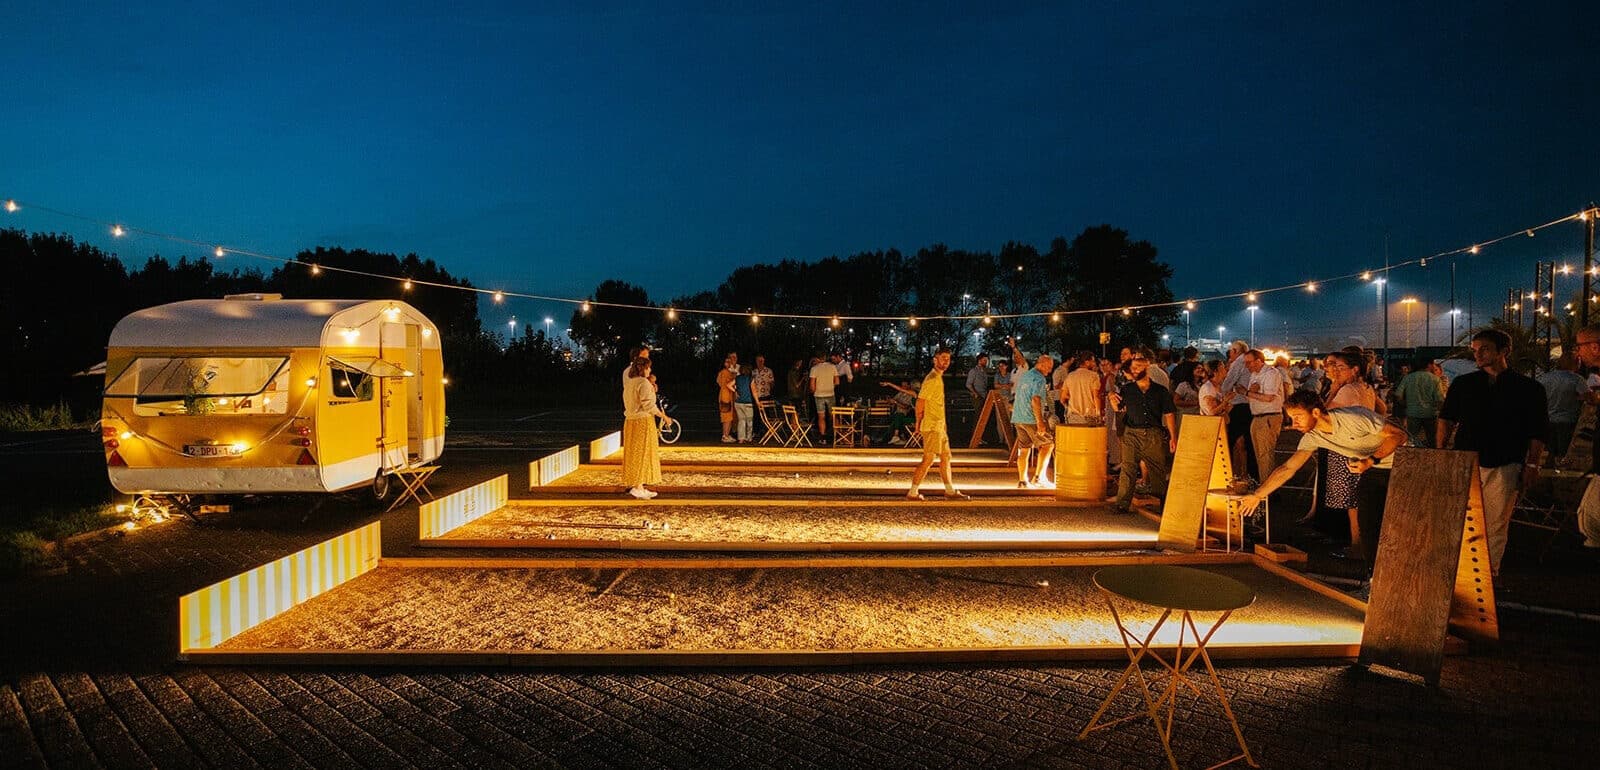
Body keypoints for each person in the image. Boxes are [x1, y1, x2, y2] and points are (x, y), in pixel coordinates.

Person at [1240, 391, 1407, 590]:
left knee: (1402, 526)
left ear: (1316, 412)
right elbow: (1288, 468)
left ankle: (1404, 579)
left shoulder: (1353, 418)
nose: (1294, 423)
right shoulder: (1313, 437)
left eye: (1298, 417)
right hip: (1376, 469)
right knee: (1368, 525)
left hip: (1408, 462)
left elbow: (1399, 435)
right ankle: (1375, 583)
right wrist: (1257, 495)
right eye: (1291, 418)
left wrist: (1370, 460)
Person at [1437, 328, 1549, 576]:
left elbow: (1537, 430)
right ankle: (1457, 572)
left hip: (1505, 462)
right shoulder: (1464, 384)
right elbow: (1446, 419)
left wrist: (1532, 464)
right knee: (1459, 518)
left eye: (1484, 349)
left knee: (1496, 521)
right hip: (1465, 461)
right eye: (1475, 350)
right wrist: (1441, 452)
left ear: (1503, 351)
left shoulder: (1528, 389)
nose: (1478, 355)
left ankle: (1487, 573)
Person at [1109, 352, 1177, 513]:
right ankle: (1122, 504)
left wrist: (1173, 437)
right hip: (1132, 433)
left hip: (1153, 434)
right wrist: (1112, 400)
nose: (1134, 370)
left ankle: (1161, 505)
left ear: (1147, 368)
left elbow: (1169, 414)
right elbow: (1119, 409)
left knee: (1157, 470)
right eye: (1133, 368)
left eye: (1138, 367)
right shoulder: (1127, 389)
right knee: (1128, 469)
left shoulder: (1160, 391)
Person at [907, 347, 968, 500]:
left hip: (939, 426)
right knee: (928, 459)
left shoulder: (937, 378)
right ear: (935, 360)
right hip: (932, 426)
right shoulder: (932, 379)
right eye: (943, 358)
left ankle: (949, 490)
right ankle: (913, 492)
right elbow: (920, 402)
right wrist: (918, 422)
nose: (946, 361)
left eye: (948, 358)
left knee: (946, 457)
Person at [621, 356, 673, 499]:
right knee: (643, 452)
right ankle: (638, 486)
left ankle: (639, 485)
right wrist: (664, 416)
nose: (650, 370)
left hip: (630, 421)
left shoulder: (630, 382)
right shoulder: (643, 382)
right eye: (648, 367)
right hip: (642, 421)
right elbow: (649, 405)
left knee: (635, 453)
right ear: (642, 368)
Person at [1239, 349, 1286, 480]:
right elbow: (1252, 397)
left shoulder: (1271, 373)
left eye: (1249, 362)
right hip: (1257, 416)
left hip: (1268, 416)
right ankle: (1264, 484)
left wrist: (1247, 392)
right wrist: (1250, 392)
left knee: (1265, 455)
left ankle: (1268, 487)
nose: (1247, 366)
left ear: (1259, 361)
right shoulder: (1254, 374)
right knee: (1259, 455)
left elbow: (1269, 397)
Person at [1012, 353, 1056, 488]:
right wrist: (1040, 422)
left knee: (1024, 449)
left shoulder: (1026, 375)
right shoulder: (1039, 379)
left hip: (1018, 417)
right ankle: (1039, 478)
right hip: (1030, 418)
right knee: (1048, 444)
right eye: (1048, 367)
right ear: (1041, 364)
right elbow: (1035, 399)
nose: (1050, 370)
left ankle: (1022, 480)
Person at [1216, 340, 1255, 480]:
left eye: (1230, 352)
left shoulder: (1238, 363)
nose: (1229, 355)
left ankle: (1228, 474)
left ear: (1235, 351)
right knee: (1248, 444)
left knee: (1228, 442)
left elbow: (1227, 384)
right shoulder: (1248, 363)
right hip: (1250, 405)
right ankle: (1250, 476)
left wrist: (1223, 391)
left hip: (1240, 406)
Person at [1536, 353, 1586, 459]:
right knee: (1564, 453)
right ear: (1576, 363)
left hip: (1548, 420)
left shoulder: (1545, 378)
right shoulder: (1577, 379)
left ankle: (1550, 466)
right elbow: (1588, 397)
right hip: (1568, 421)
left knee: (1550, 453)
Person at [1062, 351, 1103, 426]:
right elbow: (1096, 397)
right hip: (1090, 417)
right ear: (1087, 362)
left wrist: (1071, 402)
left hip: (1073, 417)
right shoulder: (1094, 376)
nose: (1094, 363)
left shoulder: (1070, 376)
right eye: (1093, 361)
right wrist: (1098, 415)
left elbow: (1063, 398)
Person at [809, 353, 838, 436]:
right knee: (833, 415)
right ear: (825, 357)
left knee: (821, 416)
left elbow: (812, 386)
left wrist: (813, 391)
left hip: (819, 395)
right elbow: (837, 382)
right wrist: (831, 386)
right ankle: (837, 433)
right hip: (830, 394)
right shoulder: (833, 367)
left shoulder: (814, 368)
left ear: (818, 358)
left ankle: (822, 435)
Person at [716, 353, 738, 443]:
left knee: (729, 418)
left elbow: (718, 382)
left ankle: (726, 435)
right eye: (727, 362)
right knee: (727, 418)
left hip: (726, 396)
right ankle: (725, 435)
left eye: (730, 361)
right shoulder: (725, 372)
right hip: (726, 397)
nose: (729, 363)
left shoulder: (724, 372)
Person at [733, 364, 755, 443]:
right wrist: (757, 402)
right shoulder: (750, 379)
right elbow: (754, 391)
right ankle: (749, 438)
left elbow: (728, 385)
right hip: (748, 402)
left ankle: (741, 438)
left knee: (741, 421)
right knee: (749, 421)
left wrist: (735, 391)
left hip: (738, 403)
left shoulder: (737, 378)